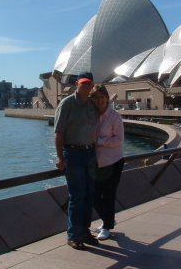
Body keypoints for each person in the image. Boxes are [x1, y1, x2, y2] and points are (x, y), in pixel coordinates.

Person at [54, 72, 99, 250]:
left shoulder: (92, 104)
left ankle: (85, 231)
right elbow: (58, 133)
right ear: (76, 84)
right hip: (72, 154)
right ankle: (73, 235)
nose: (86, 86)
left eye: (89, 84)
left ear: (92, 85)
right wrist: (60, 156)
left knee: (89, 195)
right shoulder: (67, 104)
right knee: (77, 196)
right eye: (83, 83)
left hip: (90, 153)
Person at [89, 84, 124, 241]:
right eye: (95, 97)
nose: (99, 100)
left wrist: (100, 140)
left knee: (108, 196)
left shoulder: (114, 116)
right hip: (96, 163)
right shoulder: (91, 115)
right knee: (93, 195)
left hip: (113, 162)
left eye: (102, 97)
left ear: (107, 98)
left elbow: (119, 139)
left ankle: (107, 226)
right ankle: (108, 218)